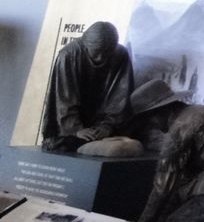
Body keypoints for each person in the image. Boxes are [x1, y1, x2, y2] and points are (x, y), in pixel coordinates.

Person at [41, 21, 134, 152]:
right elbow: (64, 99)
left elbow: (120, 98)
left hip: (103, 126)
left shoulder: (120, 55)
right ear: (86, 45)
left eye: (107, 53)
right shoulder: (69, 55)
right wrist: (76, 129)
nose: (101, 58)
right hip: (71, 127)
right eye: (96, 52)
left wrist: (108, 126)